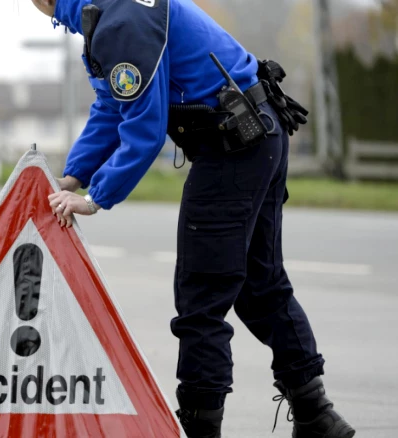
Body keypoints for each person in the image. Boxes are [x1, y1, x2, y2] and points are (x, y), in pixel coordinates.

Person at [31, 0, 356, 437]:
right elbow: (112, 106)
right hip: (260, 133)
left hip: (234, 145)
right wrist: (72, 176)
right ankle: (318, 415)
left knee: (201, 298)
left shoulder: (120, 22)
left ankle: (204, 430)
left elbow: (144, 131)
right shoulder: (108, 12)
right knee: (261, 286)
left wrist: (95, 199)